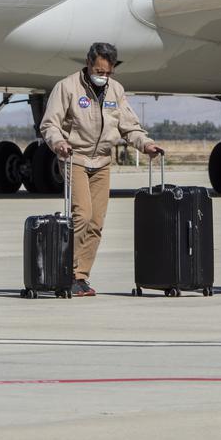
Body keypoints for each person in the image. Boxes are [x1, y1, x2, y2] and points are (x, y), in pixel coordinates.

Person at [39, 42, 163, 297]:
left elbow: (129, 127)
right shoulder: (67, 87)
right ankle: (65, 272)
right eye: (99, 71)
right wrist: (59, 142)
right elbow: (49, 124)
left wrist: (146, 145)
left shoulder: (115, 90)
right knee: (82, 215)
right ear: (88, 64)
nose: (102, 76)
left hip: (103, 162)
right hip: (76, 158)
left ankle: (80, 277)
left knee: (96, 222)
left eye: (107, 73)